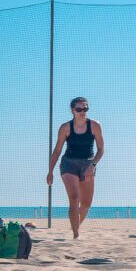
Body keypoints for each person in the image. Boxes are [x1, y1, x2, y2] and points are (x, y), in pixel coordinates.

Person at [47, 96, 104, 239]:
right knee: (74, 198)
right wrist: (50, 171)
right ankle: (75, 235)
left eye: (85, 109)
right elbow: (57, 151)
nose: (83, 112)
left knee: (86, 204)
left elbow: (101, 149)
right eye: (79, 109)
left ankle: (76, 226)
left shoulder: (95, 125)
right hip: (69, 164)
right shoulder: (66, 127)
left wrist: (93, 165)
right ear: (73, 110)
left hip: (88, 164)